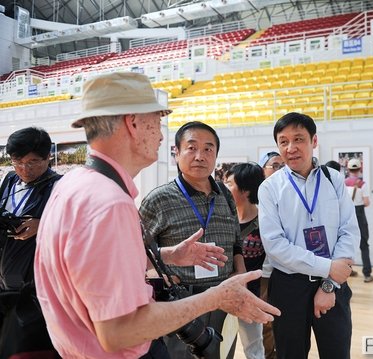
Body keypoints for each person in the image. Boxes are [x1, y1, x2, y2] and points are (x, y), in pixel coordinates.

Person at [33, 72, 280, 359]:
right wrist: (215, 298)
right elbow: (119, 331)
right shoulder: (110, 203)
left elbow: (93, 269)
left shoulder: (74, 185)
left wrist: (167, 255)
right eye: (157, 120)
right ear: (133, 122)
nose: (162, 135)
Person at [139, 120, 247, 359]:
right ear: (176, 152)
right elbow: (137, 251)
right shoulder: (158, 200)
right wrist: (160, 273)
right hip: (181, 303)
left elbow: (236, 242)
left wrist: (239, 271)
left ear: (216, 155)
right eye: (191, 147)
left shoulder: (225, 196)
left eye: (208, 149)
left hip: (223, 298)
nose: (200, 156)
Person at [258, 112, 359, 359]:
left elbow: (348, 231)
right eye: (283, 141)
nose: (291, 148)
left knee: (337, 353)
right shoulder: (270, 188)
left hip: (334, 284)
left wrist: (329, 284)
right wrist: (328, 268)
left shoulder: (333, 179)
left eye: (299, 139)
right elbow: (275, 245)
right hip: (289, 287)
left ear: (314, 141)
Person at [0, 127, 62, 359]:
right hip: (6, 273)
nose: (24, 169)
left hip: (37, 283)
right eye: (17, 162)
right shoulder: (9, 180)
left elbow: (76, 232)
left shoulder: (60, 186)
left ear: (48, 157)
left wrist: (42, 224)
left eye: (33, 162)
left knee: (32, 347)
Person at [224, 163, 266, 359]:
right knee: (220, 345)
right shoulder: (223, 219)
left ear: (246, 189)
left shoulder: (266, 221)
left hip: (252, 296)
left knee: (254, 348)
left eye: (229, 183)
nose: (224, 186)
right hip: (222, 294)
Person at [258, 151, 284, 359]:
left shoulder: (288, 196)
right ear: (262, 170)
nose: (280, 170)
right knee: (267, 321)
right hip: (265, 273)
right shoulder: (255, 200)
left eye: (282, 166)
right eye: (274, 165)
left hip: (288, 272)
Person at [344, 158, 373, 282]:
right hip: (360, 214)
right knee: (364, 244)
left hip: (347, 215)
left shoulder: (343, 183)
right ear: (359, 169)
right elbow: (366, 202)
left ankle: (347, 270)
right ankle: (367, 274)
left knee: (346, 243)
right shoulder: (362, 184)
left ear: (348, 169)